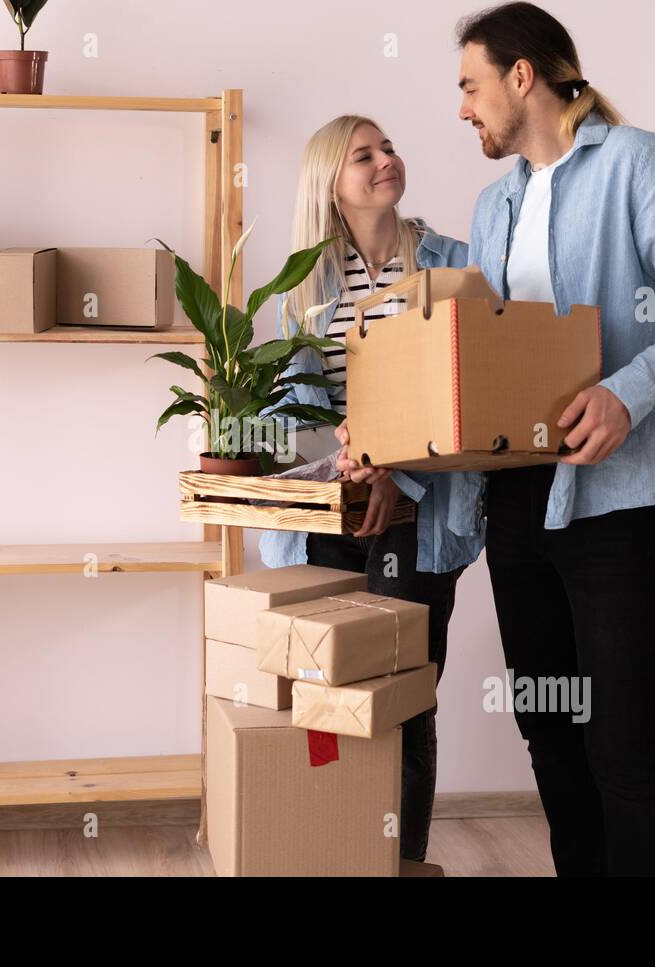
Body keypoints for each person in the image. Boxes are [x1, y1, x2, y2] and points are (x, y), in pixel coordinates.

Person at [339, 2, 655, 876]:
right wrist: (387, 448)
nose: (461, 108)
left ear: (524, 77)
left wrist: (629, 394)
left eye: (469, 85)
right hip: (519, 504)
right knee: (549, 730)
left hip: (623, 501)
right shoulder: (495, 207)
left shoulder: (639, 163)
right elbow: (475, 369)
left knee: (621, 738)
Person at [259, 115, 486, 867]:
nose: (387, 160)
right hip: (332, 517)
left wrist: (401, 474)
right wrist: (356, 471)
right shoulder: (305, 280)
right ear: (331, 180)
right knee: (325, 703)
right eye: (365, 155)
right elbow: (295, 411)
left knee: (401, 703)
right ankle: (334, 853)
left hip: (422, 519)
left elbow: (472, 391)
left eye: (388, 146)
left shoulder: (451, 261)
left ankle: (402, 863)